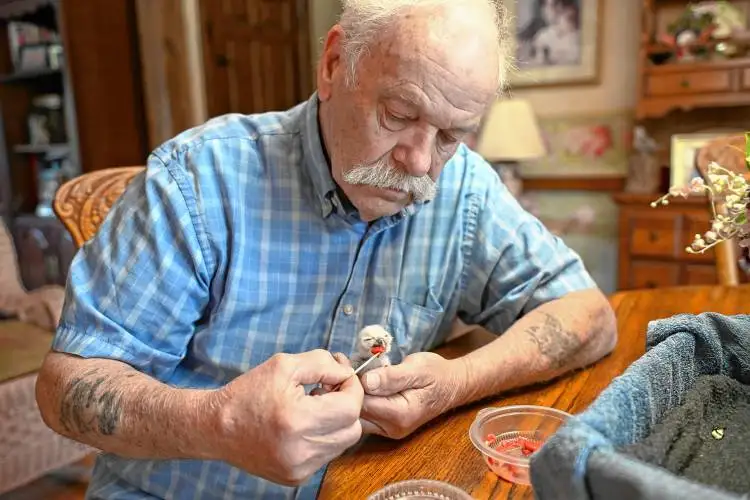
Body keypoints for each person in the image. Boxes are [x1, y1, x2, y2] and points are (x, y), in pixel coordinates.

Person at [35, 0, 618, 498]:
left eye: (450, 134)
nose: (418, 162)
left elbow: (590, 317)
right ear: (335, 64)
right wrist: (220, 422)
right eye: (398, 115)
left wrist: (456, 383)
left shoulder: (462, 187)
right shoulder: (198, 180)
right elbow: (65, 389)